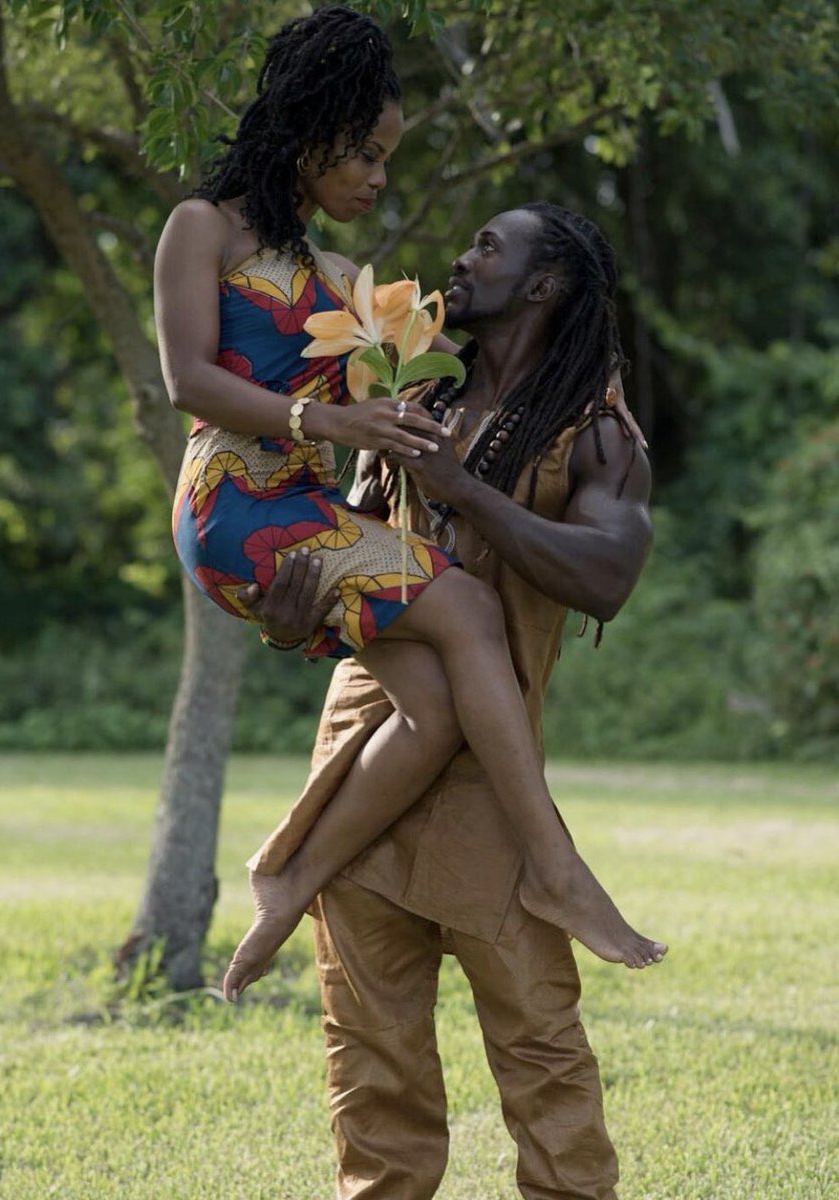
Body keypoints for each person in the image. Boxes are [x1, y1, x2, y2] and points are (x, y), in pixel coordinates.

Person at [154, 5, 665, 1001]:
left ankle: (288, 874)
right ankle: (556, 869)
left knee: (432, 711)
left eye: (385, 159)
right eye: (367, 156)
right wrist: (329, 421)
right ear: (312, 136)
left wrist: (589, 373)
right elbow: (188, 381)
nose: (380, 179)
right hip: (234, 505)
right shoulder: (202, 228)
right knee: (467, 609)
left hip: (309, 516)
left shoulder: (347, 282)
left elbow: (480, 357)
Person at [242, 201, 656, 1200]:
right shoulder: (407, 403)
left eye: (488, 248)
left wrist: (464, 489)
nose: (461, 260)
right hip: (362, 760)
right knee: (369, 1056)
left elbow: (605, 579)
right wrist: (288, 622)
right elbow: (344, 564)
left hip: (486, 778)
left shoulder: (596, 433)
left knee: (540, 1044)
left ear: (545, 285)